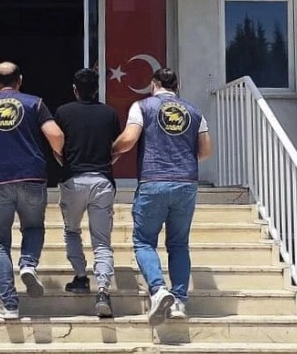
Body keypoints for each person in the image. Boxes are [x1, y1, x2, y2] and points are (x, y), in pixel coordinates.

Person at [0, 62, 65, 320]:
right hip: (32, 177)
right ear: (20, 80)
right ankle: (28, 264)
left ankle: (9, 305)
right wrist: (58, 154)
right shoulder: (35, 104)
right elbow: (55, 134)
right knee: (33, 228)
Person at [112, 68, 213, 322]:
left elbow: (129, 139)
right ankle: (179, 302)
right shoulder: (194, 111)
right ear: (176, 86)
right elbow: (205, 151)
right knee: (179, 244)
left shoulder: (142, 106)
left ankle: (158, 290)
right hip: (186, 183)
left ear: (153, 84)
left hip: (153, 180)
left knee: (144, 241)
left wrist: (110, 152)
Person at [55, 68, 122, 318]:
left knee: (72, 230)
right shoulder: (109, 113)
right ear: (97, 89)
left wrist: (62, 161)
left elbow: (56, 142)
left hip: (73, 180)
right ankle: (103, 291)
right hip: (102, 181)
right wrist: (108, 161)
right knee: (102, 241)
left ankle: (81, 277)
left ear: (75, 89)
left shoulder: (63, 112)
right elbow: (116, 145)